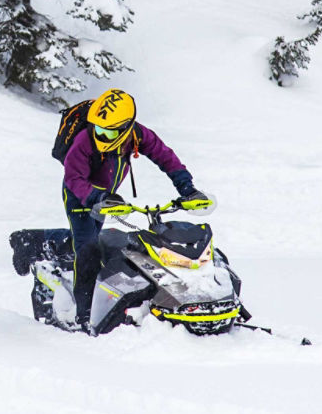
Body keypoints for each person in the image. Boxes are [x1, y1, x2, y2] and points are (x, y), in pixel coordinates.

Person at [60, 89, 210, 330]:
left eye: (107, 132)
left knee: (101, 239)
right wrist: (98, 197)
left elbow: (165, 156)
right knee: (87, 250)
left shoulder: (137, 134)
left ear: (125, 128)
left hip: (108, 196)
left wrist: (187, 187)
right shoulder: (84, 140)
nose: (100, 135)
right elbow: (73, 177)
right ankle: (83, 318)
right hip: (80, 196)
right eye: (98, 129)